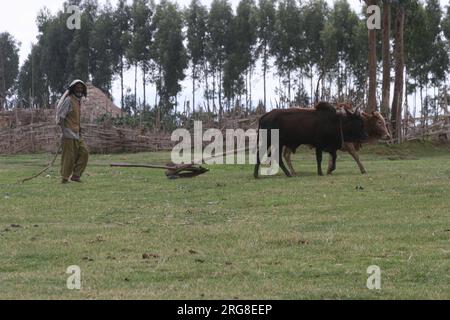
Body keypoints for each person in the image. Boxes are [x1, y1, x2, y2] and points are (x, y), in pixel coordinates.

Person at [55, 80, 89, 184]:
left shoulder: (78, 101)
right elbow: (61, 116)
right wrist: (64, 131)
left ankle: (76, 176)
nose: (79, 89)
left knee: (84, 152)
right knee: (69, 157)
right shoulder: (69, 100)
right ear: (73, 89)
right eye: (77, 87)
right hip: (68, 133)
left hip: (77, 133)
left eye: (81, 88)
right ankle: (65, 178)